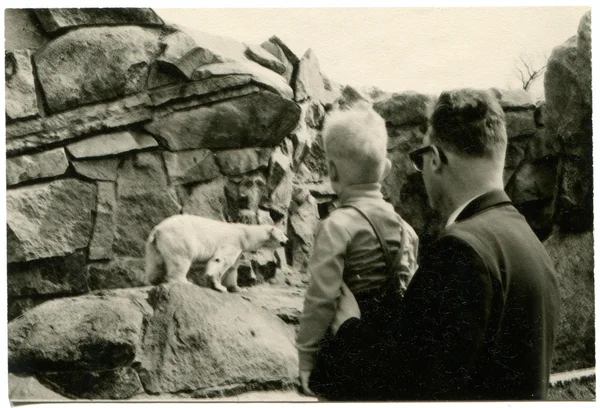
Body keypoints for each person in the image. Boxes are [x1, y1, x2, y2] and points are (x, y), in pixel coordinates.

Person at [325, 88, 561, 400]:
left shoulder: (459, 251)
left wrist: (347, 330)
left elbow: (412, 389)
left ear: (435, 159)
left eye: (419, 158)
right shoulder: (532, 246)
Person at [295, 102, 419, 399]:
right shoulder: (408, 231)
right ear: (386, 170)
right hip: (392, 360)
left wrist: (306, 356)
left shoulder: (336, 226)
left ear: (331, 170)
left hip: (346, 359)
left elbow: (320, 299)